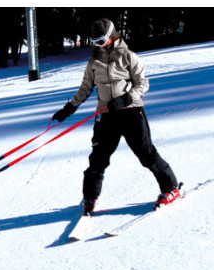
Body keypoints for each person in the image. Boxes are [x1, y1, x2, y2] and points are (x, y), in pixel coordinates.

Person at [52, 18, 181, 213]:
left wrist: (125, 99)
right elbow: (85, 88)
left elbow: (143, 84)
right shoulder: (93, 62)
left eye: (101, 41)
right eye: (95, 42)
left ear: (112, 36)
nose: (98, 46)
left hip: (131, 112)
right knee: (97, 159)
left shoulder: (128, 56)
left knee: (146, 154)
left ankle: (170, 188)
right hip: (106, 116)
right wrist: (69, 108)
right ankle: (90, 197)